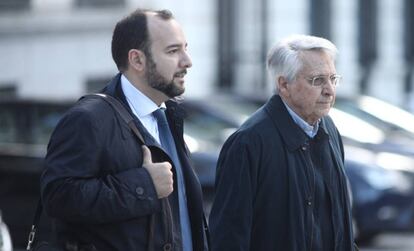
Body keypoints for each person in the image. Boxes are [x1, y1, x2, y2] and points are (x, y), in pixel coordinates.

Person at [40, 9, 208, 251]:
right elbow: (58, 197)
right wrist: (144, 186)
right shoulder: (88, 119)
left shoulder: (169, 114)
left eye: (185, 48)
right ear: (137, 60)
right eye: (173, 51)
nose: (187, 61)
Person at [209, 34, 357, 251]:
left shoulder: (329, 129)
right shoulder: (248, 142)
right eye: (317, 80)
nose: (329, 90)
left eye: (333, 79)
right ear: (284, 85)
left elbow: (340, 223)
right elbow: (229, 237)